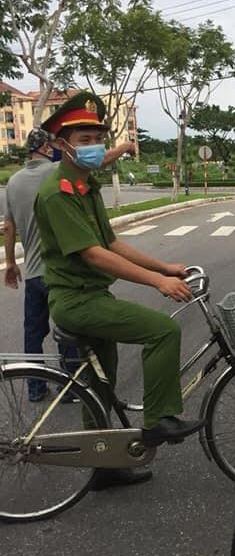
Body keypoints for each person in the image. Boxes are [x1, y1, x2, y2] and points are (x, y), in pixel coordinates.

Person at [34, 92, 204, 490]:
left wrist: (164, 265)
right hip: (76, 301)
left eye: (97, 138)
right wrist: (159, 283)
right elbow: (94, 255)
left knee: (101, 386)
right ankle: (159, 419)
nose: (93, 146)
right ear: (62, 145)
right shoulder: (58, 192)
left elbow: (111, 243)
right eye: (83, 140)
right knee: (163, 330)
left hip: (91, 297)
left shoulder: (83, 186)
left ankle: (102, 469)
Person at [3, 128, 134, 402]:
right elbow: (96, 161)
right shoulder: (55, 174)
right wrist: (124, 147)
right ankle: (72, 388)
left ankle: (36, 388)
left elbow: (9, 226)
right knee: (71, 334)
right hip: (57, 271)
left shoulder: (13, 182)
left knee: (33, 333)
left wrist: (12, 264)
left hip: (32, 272)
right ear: (47, 149)